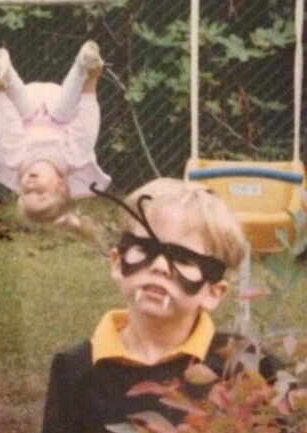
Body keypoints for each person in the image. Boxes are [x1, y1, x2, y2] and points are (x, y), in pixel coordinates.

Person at [41, 178, 281, 433]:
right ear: (116, 262)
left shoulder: (247, 365)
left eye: (183, 258)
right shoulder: (75, 371)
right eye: (145, 248)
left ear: (213, 293)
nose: (160, 266)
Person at [0, 40, 111, 226]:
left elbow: (4, 124)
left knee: (12, 136)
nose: (29, 187)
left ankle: (2, 70)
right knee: (62, 114)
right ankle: (82, 65)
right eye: (40, 193)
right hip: (58, 105)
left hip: (28, 105)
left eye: (25, 193)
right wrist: (91, 82)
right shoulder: (72, 160)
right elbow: (86, 125)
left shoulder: (17, 160)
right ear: (60, 185)